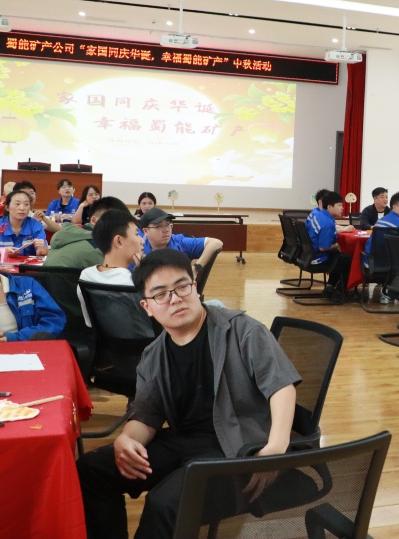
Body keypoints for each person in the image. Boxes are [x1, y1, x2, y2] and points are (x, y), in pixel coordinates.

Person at [76, 249, 301, 539]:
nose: (174, 299)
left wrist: (276, 448)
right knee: (92, 470)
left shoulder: (242, 330)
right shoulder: (154, 356)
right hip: (184, 443)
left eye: (181, 287)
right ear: (147, 306)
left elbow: (281, 386)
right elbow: (146, 414)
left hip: (237, 448)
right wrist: (127, 439)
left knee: (165, 504)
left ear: (195, 286)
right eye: (160, 294)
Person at [77, 209, 146, 326]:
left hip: (98, 338)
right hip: (144, 338)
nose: (142, 241)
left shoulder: (86, 275)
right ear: (118, 241)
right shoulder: (135, 283)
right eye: (136, 234)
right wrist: (146, 273)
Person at [45, 196, 131, 269]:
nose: (118, 228)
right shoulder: (99, 248)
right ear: (94, 220)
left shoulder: (67, 236)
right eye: (113, 221)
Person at [140, 207, 223, 275]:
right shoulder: (139, 247)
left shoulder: (180, 243)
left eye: (167, 224)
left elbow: (216, 243)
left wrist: (196, 268)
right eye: (159, 226)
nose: (166, 230)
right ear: (146, 231)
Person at [305, 191, 350, 300]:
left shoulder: (319, 214)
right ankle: (339, 293)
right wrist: (338, 245)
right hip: (318, 258)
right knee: (352, 260)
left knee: (341, 256)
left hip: (308, 255)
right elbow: (323, 248)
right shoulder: (327, 223)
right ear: (329, 207)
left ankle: (330, 287)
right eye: (339, 205)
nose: (342, 208)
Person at [0, 189, 48, 257]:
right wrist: (2, 252)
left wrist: (42, 251)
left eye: (26, 204)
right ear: (7, 207)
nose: (22, 208)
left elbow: (42, 251)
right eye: (17, 204)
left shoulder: (36, 226)